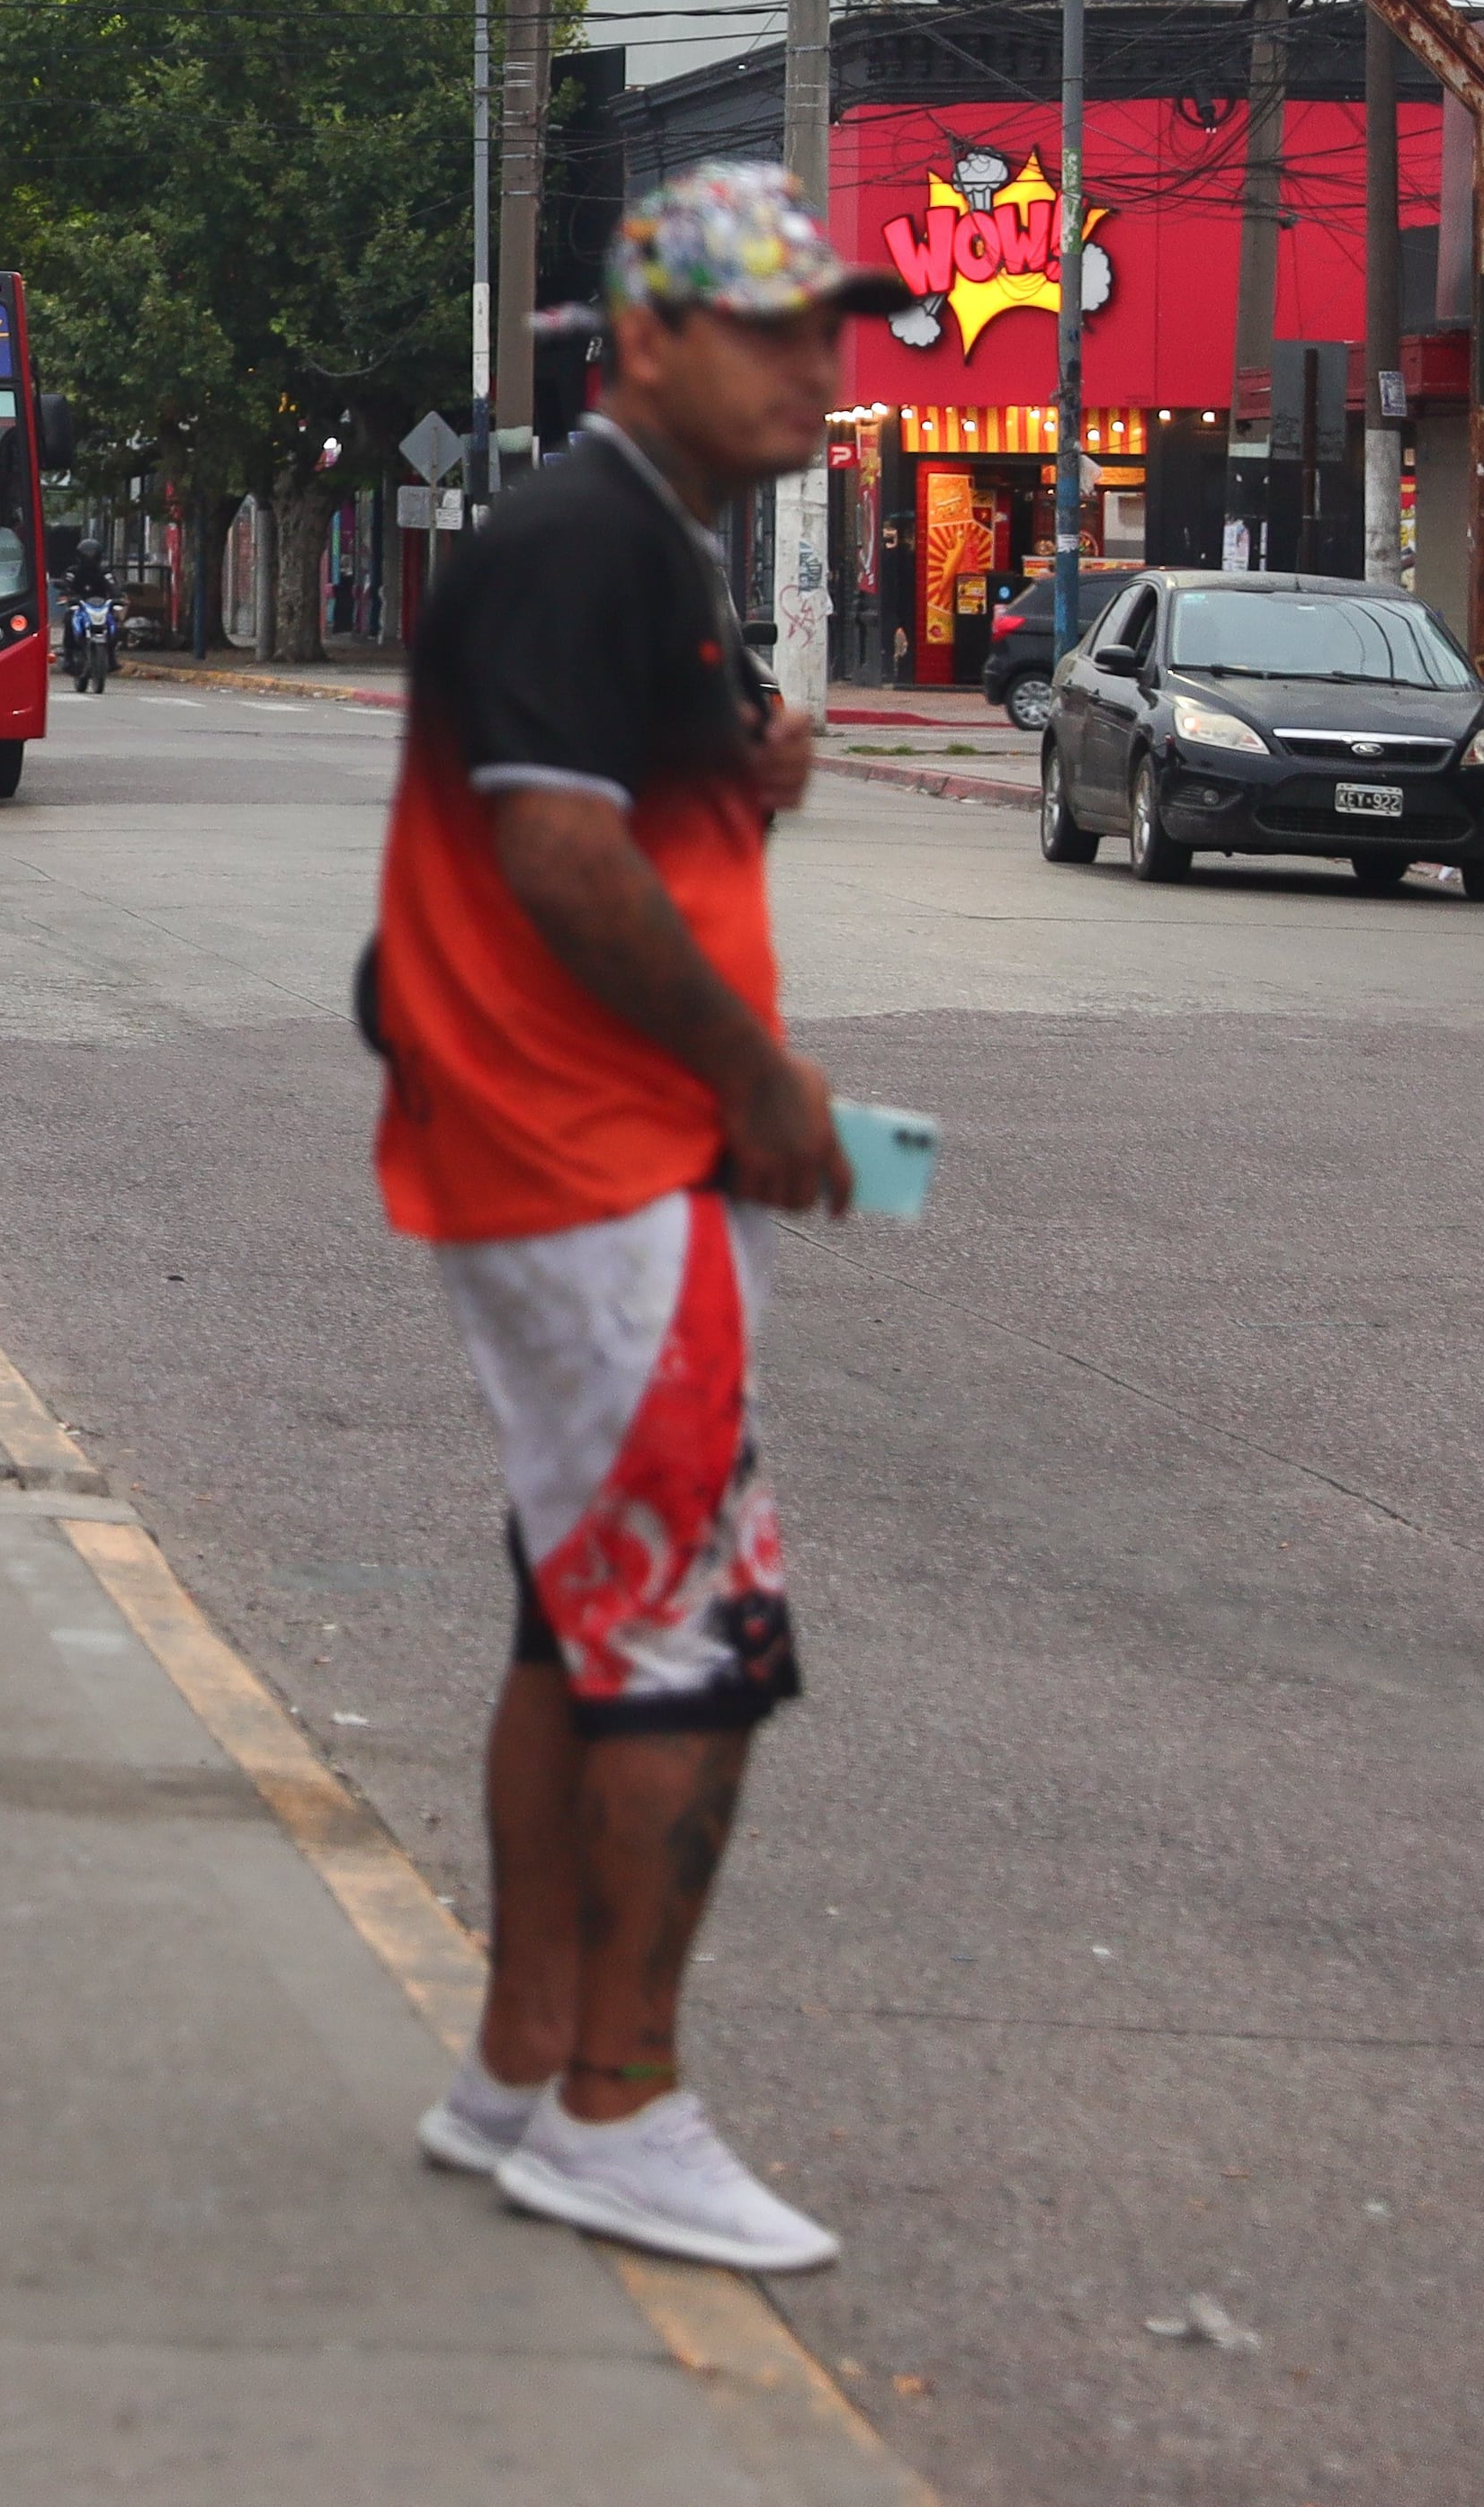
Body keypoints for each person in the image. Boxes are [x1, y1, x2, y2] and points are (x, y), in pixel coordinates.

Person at [366, 163, 898, 2278]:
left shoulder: (635, 547)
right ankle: (622, 2097)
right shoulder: (586, 532)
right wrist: (762, 1084)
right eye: (766, 326)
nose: (813, 363)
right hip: (597, 1159)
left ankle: (517, 2057)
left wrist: (738, 756)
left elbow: (627, 787)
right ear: (643, 340)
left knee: (570, 1615)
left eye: (822, 324)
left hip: (576, 1154)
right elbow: (566, 863)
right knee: (689, 1642)